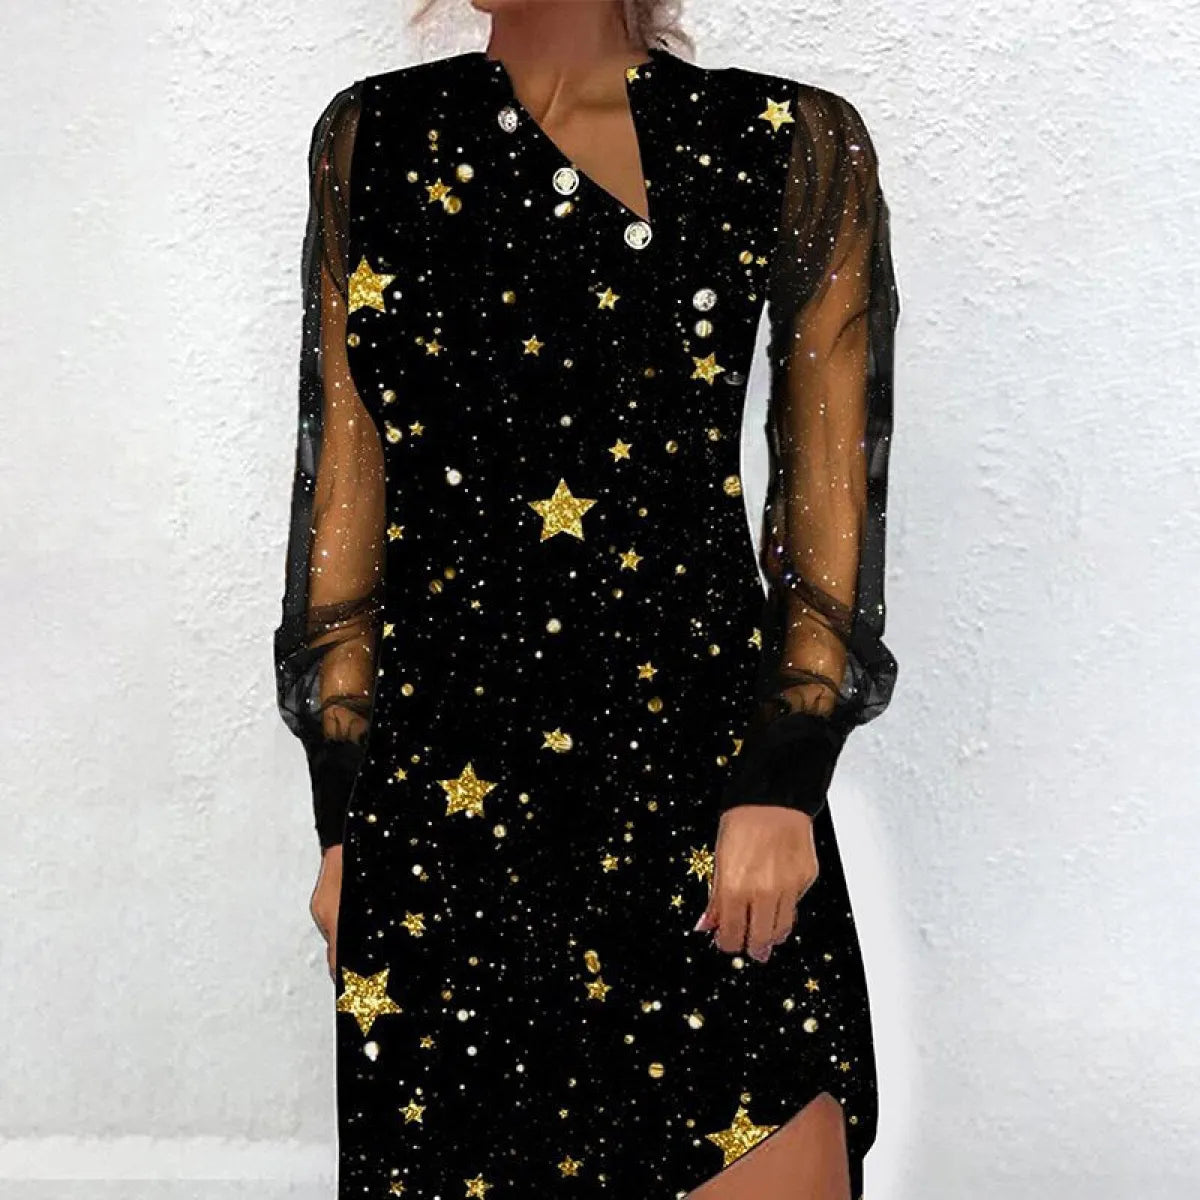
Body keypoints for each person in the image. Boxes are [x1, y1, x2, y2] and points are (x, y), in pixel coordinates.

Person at [272, 2, 900, 1196]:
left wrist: (783, 783)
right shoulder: (374, 139)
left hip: (701, 800)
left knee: (771, 1117)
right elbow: (346, 496)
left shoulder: (783, 141)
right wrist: (343, 819)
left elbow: (830, 508)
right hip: (445, 822)